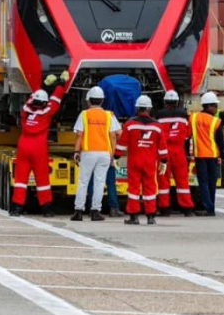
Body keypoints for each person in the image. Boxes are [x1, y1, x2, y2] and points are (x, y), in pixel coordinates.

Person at [11, 72, 68, 217]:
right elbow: (55, 101)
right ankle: (46, 208)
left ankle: (17, 207)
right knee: (42, 179)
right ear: (44, 103)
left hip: (24, 145)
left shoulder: (25, 111)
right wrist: (61, 85)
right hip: (38, 147)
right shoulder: (46, 113)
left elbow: (31, 99)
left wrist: (42, 86)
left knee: (21, 180)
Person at [114, 95, 168, 225]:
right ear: (149, 109)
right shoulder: (157, 126)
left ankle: (134, 216)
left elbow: (122, 144)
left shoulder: (130, 124)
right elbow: (162, 147)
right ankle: (151, 216)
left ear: (137, 108)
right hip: (150, 161)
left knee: (133, 188)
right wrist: (164, 161)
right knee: (150, 188)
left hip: (134, 161)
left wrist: (116, 157)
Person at [72, 86, 121, 221]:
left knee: (83, 181)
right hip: (105, 153)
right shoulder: (108, 115)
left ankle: (79, 211)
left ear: (89, 101)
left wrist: (76, 151)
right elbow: (115, 135)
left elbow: (79, 135)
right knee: (100, 182)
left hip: (88, 152)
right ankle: (95, 211)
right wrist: (113, 153)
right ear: (102, 101)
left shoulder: (84, 114)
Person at [156, 90, 194, 216]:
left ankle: (165, 208)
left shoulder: (159, 115)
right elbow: (188, 134)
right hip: (179, 151)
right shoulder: (184, 115)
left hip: (164, 152)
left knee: (163, 181)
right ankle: (187, 209)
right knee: (182, 181)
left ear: (165, 101)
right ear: (177, 101)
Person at [191, 92, 224, 216]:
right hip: (212, 155)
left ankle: (208, 207)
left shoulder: (194, 118)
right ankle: (210, 207)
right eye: (215, 106)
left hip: (200, 155)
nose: (216, 108)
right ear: (209, 106)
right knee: (211, 182)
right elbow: (220, 140)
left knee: (204, 182)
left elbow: (188, 135)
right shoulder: (216, 121)